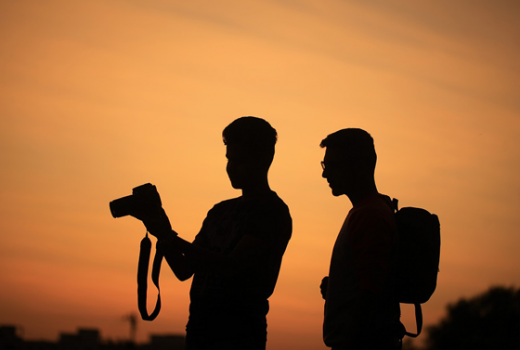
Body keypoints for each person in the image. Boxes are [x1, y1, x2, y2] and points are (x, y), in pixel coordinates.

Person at [141, 117, 292, 350]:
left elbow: (231, 266)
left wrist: (170, 238)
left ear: (263, 159)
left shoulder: (272, 212)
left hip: (239, 335)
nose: (231, 167)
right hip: (199, 332)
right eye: (229, 159)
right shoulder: (219, 211)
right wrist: (162, 230)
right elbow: (184, 270)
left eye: (239, 160)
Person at [319, 128, 403, 350]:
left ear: (361, 165)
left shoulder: (368, 215)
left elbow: (370, 293)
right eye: (325, 166)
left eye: (332, 166)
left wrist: (349, 341)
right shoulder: (371, 210)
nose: (325, 175)